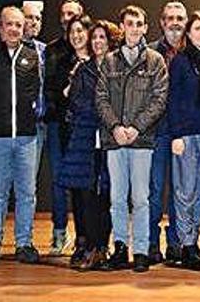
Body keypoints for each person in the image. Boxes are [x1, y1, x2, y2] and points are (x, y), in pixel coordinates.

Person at [96, 5, 168, 273]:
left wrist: (136, 127)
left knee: (140, 198)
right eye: (130, 23)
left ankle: (140, 250)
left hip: (142, 140)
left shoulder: (156, 61)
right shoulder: (109, 61)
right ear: (122, 26)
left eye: (139, 23)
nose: (135, 28)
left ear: (146, 28)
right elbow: (101, 97)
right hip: (114, 140)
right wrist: (115, 126)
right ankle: (120, 248)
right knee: (117, 197)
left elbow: (159, 99)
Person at [0, 6, 42, 266]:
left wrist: (31, 114)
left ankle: (24, 244)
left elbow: (36, 91)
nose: (14, 29)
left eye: (18, 24)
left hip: (26, 138)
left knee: (27, 194)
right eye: (9, 24)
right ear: (0, 27)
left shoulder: (31, 55)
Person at [57, 19, 116, 271]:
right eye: (95, 38)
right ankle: (90, 246)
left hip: (112, 138)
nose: (97, 42)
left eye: (102, 38)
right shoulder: (84, 70)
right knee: (88, 194)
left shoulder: (118, 68)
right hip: (86, 138)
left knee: (109, 195)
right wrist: (101, 112)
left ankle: (103, 247)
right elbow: (78, 103)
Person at [167, 11, 200, 271]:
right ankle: (185, 245)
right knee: (184, 192)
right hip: (186, 135)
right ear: (188, 33)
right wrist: (176, 135)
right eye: (197, 28)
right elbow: (172, 100)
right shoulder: (180, 62)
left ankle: (193, 241)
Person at [44, 0, 84, 256]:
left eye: (73, 14)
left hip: (83, 128)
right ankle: (59, 233)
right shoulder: (52, 51)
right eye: (64, 14)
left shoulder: (92, 48)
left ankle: (85, 237)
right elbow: (49, 89)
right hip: (58, 125)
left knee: (84, 184)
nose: (68, 18)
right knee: (59, 181)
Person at [147, 0, 186, 265]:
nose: (175, 22)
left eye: (179, 18)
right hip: (158, 132)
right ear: (162, 22)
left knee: (179, 190)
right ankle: (151, 242)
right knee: (155, 188)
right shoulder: (148, 52)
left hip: (184, 132)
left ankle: (175, 241)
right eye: (170, 17)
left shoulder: (192, 52)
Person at [54, 14, 93, 268]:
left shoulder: (101, 59)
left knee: (95, 191)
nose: (77, 35)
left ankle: (97, 242)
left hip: (95, 133)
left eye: (81, 30)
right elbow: (58, 95)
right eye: (72, 32)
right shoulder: (63, 62)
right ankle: (81, 240)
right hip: (71, 131)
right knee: (77, 190)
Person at [22, 1, 47, 169]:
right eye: (29, 17)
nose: (34, 22)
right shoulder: (5, 48)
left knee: (29, 183)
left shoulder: (44, 50)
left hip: (38, 124)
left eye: (38, 18)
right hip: (14, 126)